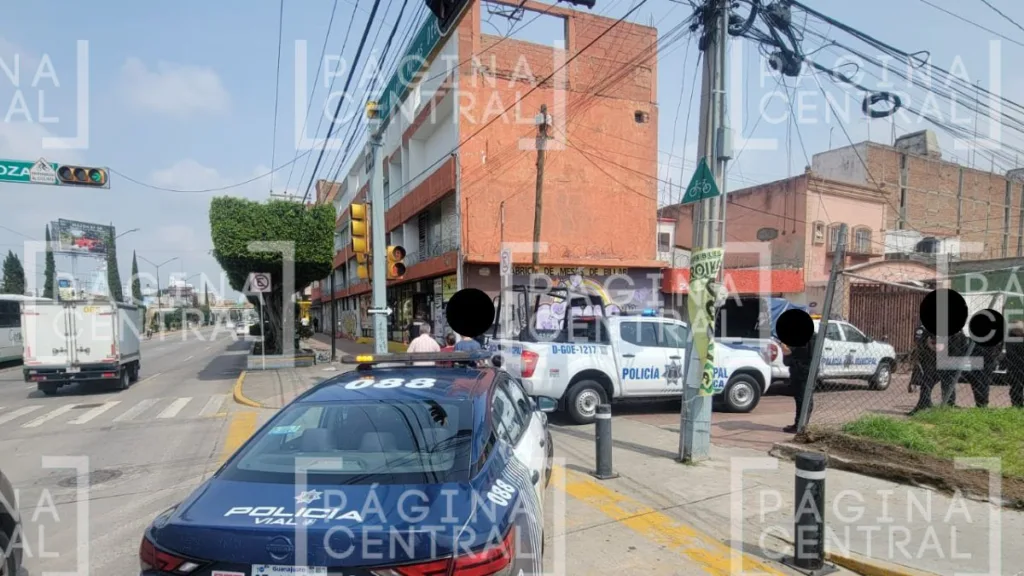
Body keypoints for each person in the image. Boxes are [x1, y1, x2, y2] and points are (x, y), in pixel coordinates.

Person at [909, 326, 958, 414]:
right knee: (927, 382)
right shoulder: (923, 329)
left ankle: (949, 404)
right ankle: (924, 404)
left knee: (948, 381)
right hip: (930, 360)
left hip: (945, 359)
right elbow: (920, 342)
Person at [782, 328, 816, 434]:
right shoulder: (814, 336)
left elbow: (788, 351)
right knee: (805, 398)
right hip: (808, 370)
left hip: (801, 370)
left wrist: (782, 344)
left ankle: (799, 425)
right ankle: (802, 424)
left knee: (801, 398)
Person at [1005, 321, 1024, 408]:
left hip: (1014, 367)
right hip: (1016, 367)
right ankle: (1017, 404)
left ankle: (1017, 405)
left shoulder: (1010, 340)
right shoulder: (1013, 340)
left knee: (1016, 387)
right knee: (1016, 386)